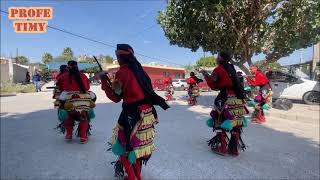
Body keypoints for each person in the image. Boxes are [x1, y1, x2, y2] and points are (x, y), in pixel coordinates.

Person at [96, 44, 169, 180]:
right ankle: (137, 175)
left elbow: (116, 97)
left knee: (125, 146)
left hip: (132, 114)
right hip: (147, 113)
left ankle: (132, 177)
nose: (117, 59)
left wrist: (103, 80)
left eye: (117, 56)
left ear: (120, 57)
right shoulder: (140, 71)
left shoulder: (122, 72)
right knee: (140, 147)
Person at [200, 52, 248, 156]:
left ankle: (222, 148)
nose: (216, 58)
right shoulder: (232, 68)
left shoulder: (218, 69)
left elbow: (214, 86)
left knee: (218, 120)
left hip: (225, 96)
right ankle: (234, 149)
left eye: (218, 56)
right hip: (237, 97)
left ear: (221, 58)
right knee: (236, 121)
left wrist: (205, 75)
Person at [56, 61, 95, 144]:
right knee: (84, 117)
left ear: (68, 67)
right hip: (83, 102)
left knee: (68, 116)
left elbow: (60, 88)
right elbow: (87, 88)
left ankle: (69, 135)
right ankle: (83, 137)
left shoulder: (63, 77)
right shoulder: (83, 76)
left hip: (69, 103)